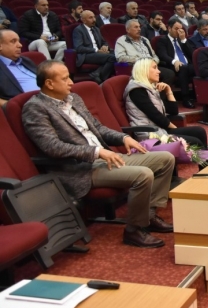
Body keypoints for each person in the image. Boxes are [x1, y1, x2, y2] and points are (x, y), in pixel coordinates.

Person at [22, 60, 175, 248]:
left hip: (104, 158)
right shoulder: (36, 108)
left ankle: (149, 216)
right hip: (79, 169)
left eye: (70, 76)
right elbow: (52, 147)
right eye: (65, 78)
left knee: (165, 159)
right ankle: (134, 230)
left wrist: (122, 138)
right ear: (49, 84)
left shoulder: (74, 99)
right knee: (143, 175)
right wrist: (95, 152)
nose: (71, 82)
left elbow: (98, 128)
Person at [123, 58, 208, 156]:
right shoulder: (137, 90)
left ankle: (207, 169)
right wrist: (174, 127)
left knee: (199, 131)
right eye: (155, 68)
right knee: (195, 141)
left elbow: (173, 111)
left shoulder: (151, 89)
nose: (159, 71)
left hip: (160, 130)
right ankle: (207, 168)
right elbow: (155, 115)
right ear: (144, 70)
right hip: (149, 135)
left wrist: (169, 91)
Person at [115, 19, 175, 85]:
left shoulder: (145, 39)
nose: (139, 29)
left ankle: (159, 94)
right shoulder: (121, 40)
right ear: (128, 30)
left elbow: (154, 55)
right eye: (136, 27)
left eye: (139, 27)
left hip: (151, 66)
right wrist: (140, 60)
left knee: (169, 74)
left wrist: (154, 61)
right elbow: (120, 57)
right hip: (137, 68)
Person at [156, 17, 196, 108]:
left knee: (200, 67)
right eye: (176, 29)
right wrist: (174, 61)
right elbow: (162, 55)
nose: (179, 31)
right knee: (183, 68)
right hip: (172, 66)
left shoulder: (181, 39)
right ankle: (185, 98)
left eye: (181, 29)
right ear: (169, 28)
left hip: (186, 65)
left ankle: (200, 96)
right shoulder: (163, 40)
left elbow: (192, 54)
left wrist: (183, 40)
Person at [72, 10, 115, 84]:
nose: (94, 20)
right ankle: (103, 79)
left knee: (117, 54)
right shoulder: (78, 30)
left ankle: (96, 73)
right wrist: (96, 50)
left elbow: (104, 42)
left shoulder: (96, 29)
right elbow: (78, 48)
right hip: (86, 55)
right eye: (90, 18)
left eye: (94, 17)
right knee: (112, 58)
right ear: (84, 20)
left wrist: (105, 46)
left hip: (98, 53)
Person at [0, 30, 38, 106]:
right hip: (30, 107)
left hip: (52, 99)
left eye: (19, 41)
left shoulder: (26, 61)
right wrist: (12, 107)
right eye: (13, 41)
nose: (20, 45)